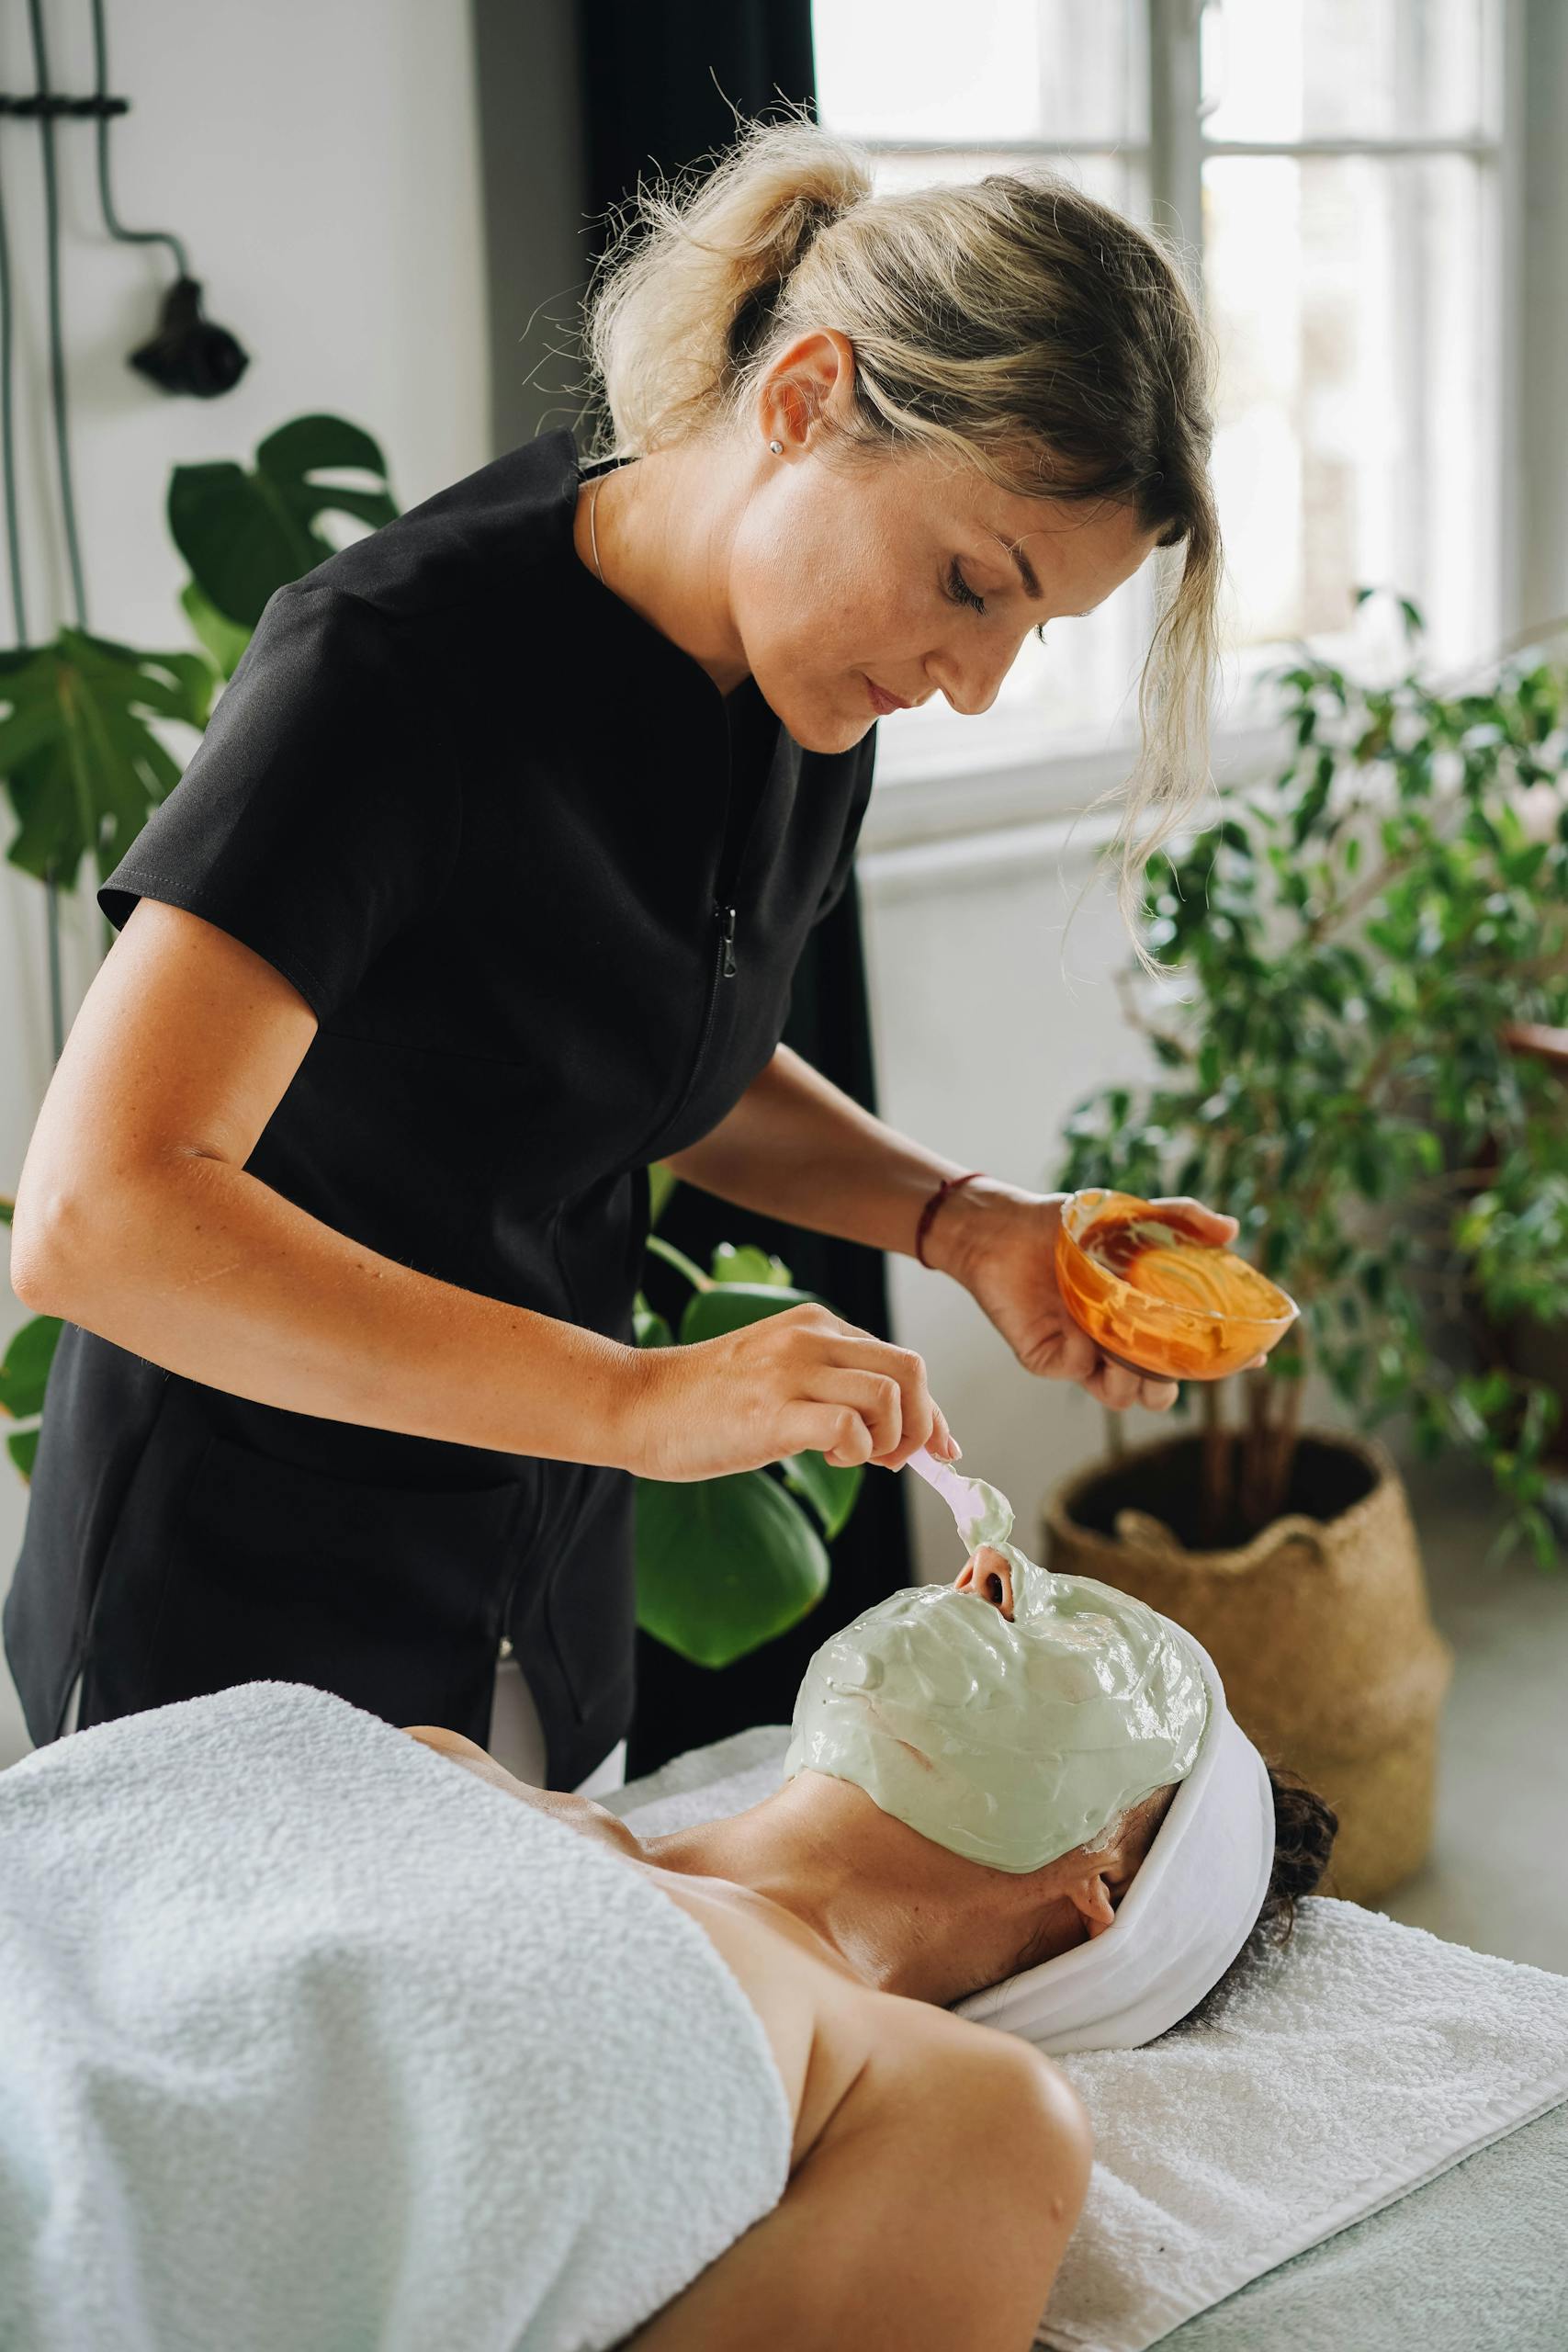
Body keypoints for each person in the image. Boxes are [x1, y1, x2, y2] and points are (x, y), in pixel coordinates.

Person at [6, 106, 1244, 1798]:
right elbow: (101, 1217)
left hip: (541, 1582)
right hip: (245, 1615)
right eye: (971, 582)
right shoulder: (385, 677)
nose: (977, 680)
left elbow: (652, 1054)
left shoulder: (804, 698)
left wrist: (964, 1226)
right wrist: (637, 1404)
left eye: (1031, 630)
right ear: (805, 401)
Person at [0, 1544, 1336, 2352]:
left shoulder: (960, 2107)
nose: (984, 1568)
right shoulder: (450, 1765)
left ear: (1108, 1876)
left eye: (1090, 1637)